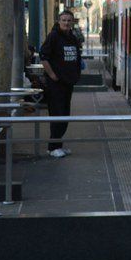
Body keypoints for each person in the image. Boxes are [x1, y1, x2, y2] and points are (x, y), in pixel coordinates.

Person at [40, 11, 83, 159]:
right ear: (59, 21)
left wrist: (76, 75)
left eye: (69, 20)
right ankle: (52, 147)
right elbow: (43, 57)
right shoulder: (53, 36)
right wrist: (52, 75)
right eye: (64, 20)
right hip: (56, 85)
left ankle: (59, 145)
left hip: (68, 83)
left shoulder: (72, 37)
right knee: (57, 115)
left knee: (65, 115)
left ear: (72, 22)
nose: (66, 23)